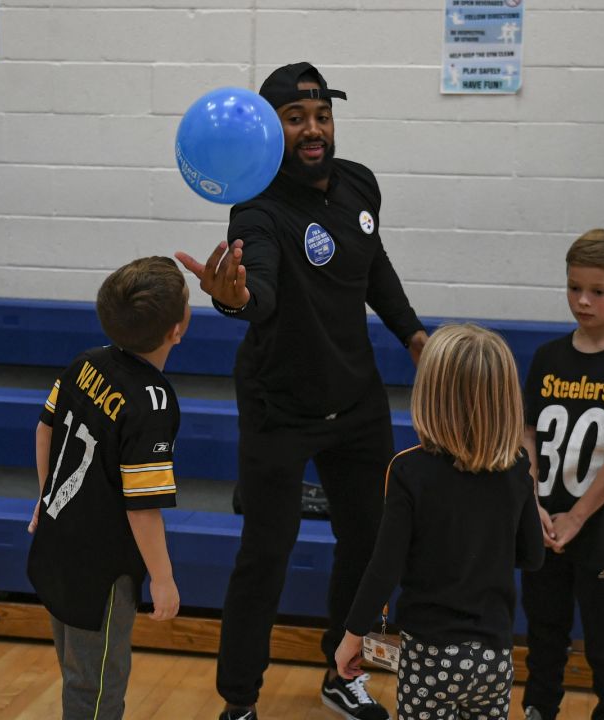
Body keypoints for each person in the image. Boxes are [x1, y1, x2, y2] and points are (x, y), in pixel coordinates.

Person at [175, 61, 429, 720]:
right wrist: (233, 299)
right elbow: (258, 291)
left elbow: (375, 268)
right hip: (278, 407)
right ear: (269, 130)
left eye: (321, 115)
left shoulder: (360, 185)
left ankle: (341, 674)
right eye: (296, 119)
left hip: (357, 400)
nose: (313, 130)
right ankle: (239, 702)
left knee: (368, 545)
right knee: (265, 554)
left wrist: (413, 335)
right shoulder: (257, 211)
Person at [334, 323, 545, 720]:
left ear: (431, 393)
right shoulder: (517, 468)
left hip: (429, 656)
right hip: (494, 655)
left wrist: (352, 636)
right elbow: (532, 556)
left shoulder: (408, 471)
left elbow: (384, 567)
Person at [26, 256, 190, 720]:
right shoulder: (153, 404)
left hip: (54, 543)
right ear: (177, 329)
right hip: (100, 572)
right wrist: (162, 577)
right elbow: (142, 507)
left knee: (76, 667)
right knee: (95, 689)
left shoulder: (85, 363)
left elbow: (44, 430)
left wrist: (46, 495)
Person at [518, 229, 604, 720]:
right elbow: (528, 435)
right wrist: (531, 502)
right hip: (544, 526)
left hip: (603, 533)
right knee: (543, 639)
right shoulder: (549, 357)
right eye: (574, 287)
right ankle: (538, 710)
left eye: (598, 291)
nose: (582, 300)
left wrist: (576, 516)